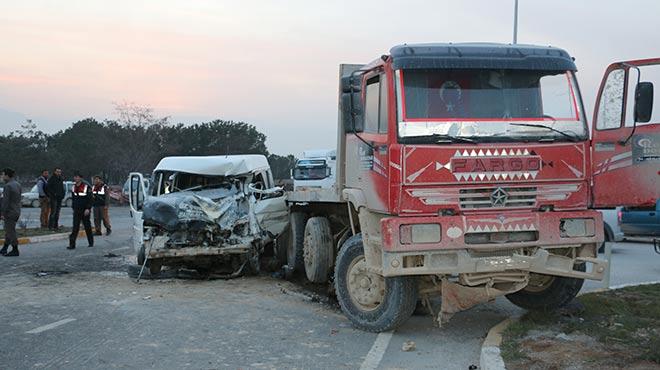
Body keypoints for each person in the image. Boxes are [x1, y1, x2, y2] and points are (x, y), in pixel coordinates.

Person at [68, 172, 94, 249]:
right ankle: (72, 244)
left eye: (77, 177)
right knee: (75, 227)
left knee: (87, 227)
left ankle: (91, 242)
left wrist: (88, 208)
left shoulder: (86, 187)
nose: (75, 178)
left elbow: (90, 199)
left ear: (80, 178)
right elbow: (73, 198)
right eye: (74, 177)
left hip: (85, 210)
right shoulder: (73, 187)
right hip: (77, 210)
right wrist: (73, 207)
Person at [1, 168, 22, 257]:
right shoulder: (17, 184)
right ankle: (5, 248)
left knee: (11, 231)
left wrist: (2, 213)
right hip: (17, 210)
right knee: (9, 230)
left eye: (3, 174)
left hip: (10, 212)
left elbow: (5, 202)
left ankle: (15, 249)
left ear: (7, 175)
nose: (2, 177)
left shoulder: (7, 186)